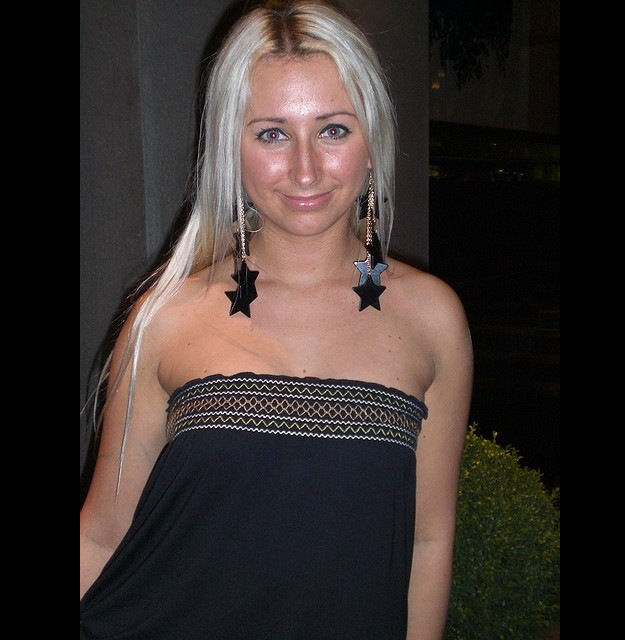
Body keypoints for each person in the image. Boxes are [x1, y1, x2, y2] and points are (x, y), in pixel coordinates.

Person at [80, 1, 473, 638]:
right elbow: (101, 534)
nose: (305, 169)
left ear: (372, 141)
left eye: (333, 130)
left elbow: (428, 540)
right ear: (230, 148)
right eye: (272, 134)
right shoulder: (166, 316)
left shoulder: (433, 318)